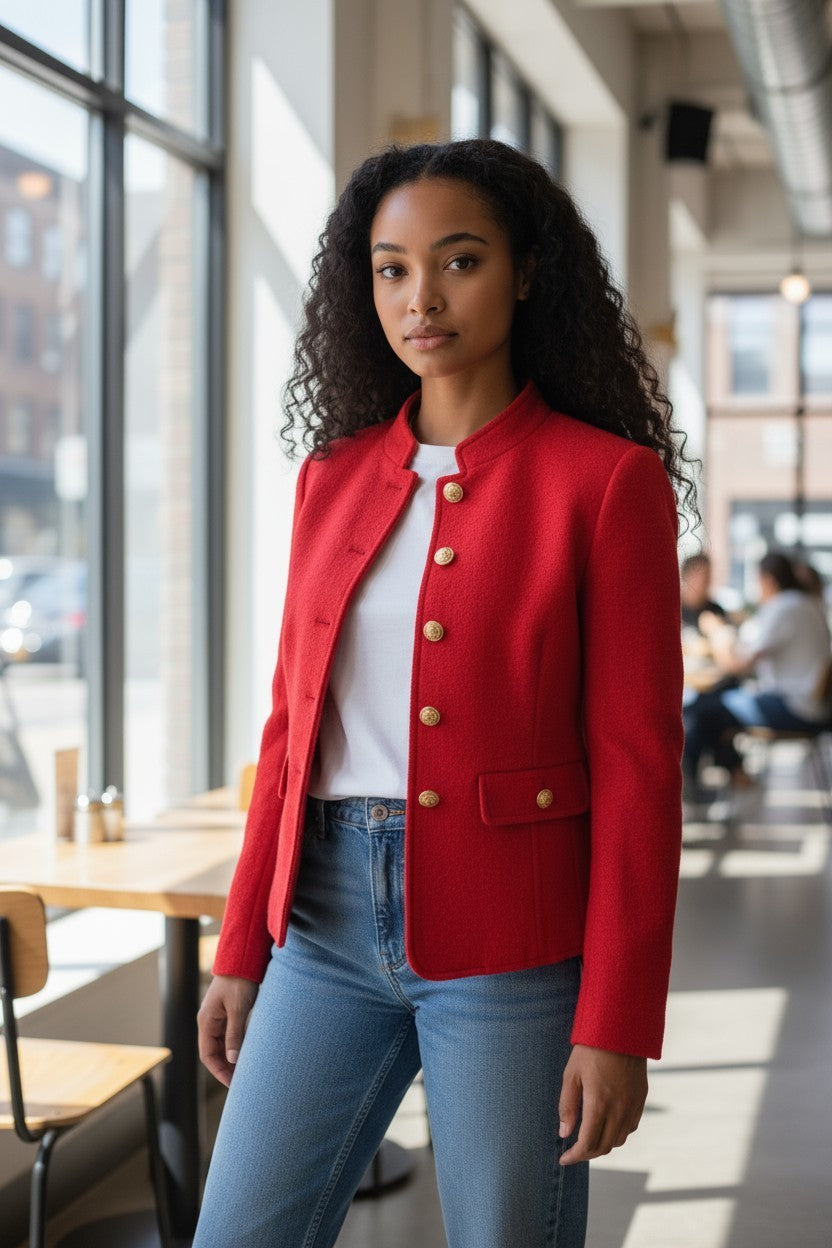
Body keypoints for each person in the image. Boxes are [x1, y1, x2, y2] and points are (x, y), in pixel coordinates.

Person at [192, 138, 699, 1248]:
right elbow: (290, 732)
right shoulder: (330, 479)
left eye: (459, 261)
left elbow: (638, 767)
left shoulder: (605, 483)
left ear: (525, 272)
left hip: (514, 942)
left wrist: (617, 1019)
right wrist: (239, 950)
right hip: (321, 925)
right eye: (392, 269)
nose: (420, 297)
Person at [683, 550, 832, 799]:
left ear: (768, 580)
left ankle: (691, 785)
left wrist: (719, 633)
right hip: (811, 705)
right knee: (711, 708)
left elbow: (739, 664)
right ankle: (731, 777)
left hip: (795, 708)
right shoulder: (806, 604)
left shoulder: (784, 607)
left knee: (705, 711)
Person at [680, 552, 728, 633]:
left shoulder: (716, 611)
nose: (703, 582)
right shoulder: (674, 609)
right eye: (698, 576)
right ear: (685, 576)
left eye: (707, 575)